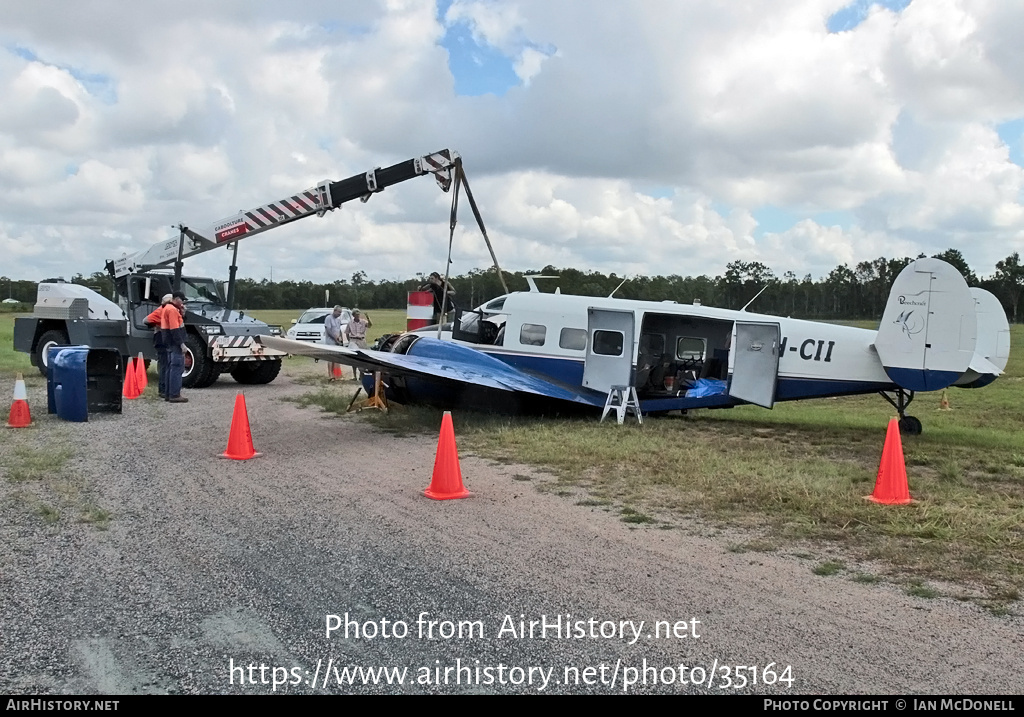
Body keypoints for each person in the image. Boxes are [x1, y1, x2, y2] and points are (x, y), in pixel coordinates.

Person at [145, 294, 173, 399]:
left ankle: (164, 388)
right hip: (161, 337)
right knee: (164, 364)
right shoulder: (162, 310)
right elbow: (146, 320)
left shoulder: (163, 310)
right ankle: (162, 389)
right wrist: (160, 324)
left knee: (165, 364)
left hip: (161, 337)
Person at [163, 291, 188, 403]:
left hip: (168, 342)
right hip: (175, 343)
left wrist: (182, 313)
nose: (183, 303)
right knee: (177, 368)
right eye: (182, 300)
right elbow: (174, 329)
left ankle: (168, 393)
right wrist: (181, 344)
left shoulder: (167, 308)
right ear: (177, 299)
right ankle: (174, 394)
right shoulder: (172, 310)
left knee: (170, 368)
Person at [323, 305, 345, 381]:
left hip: (337, 341)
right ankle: (330, 375)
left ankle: (337, 375)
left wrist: (340, 339)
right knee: (331, 359)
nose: (339, 314)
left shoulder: (338, 320)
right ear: (334, 311)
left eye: (340, 312)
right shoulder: (328, 318)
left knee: (336, 359)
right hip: (330, 342)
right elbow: (328, 330)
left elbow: (339, 330)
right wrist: (335, 339)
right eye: (338, 312)